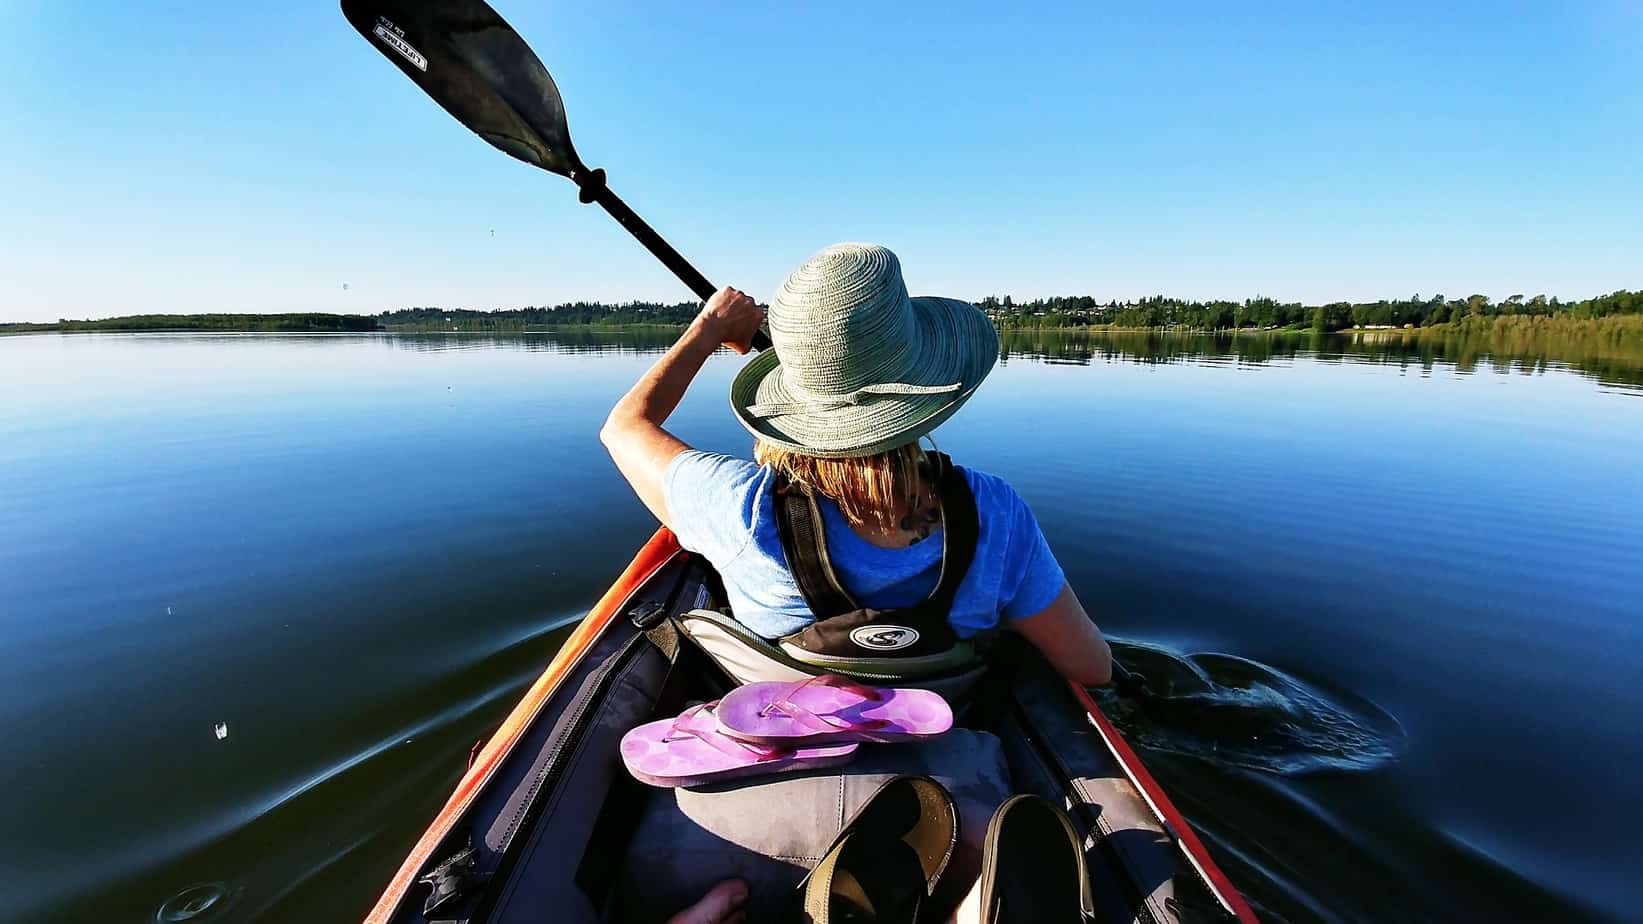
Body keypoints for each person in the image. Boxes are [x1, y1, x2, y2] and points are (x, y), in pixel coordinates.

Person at [600, 242, 1111, 688]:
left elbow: (623, 427)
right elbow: (1092, 668)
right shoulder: (995, 512)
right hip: (951, 740)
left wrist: (710, 326)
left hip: (791, 747)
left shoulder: (736, 506)